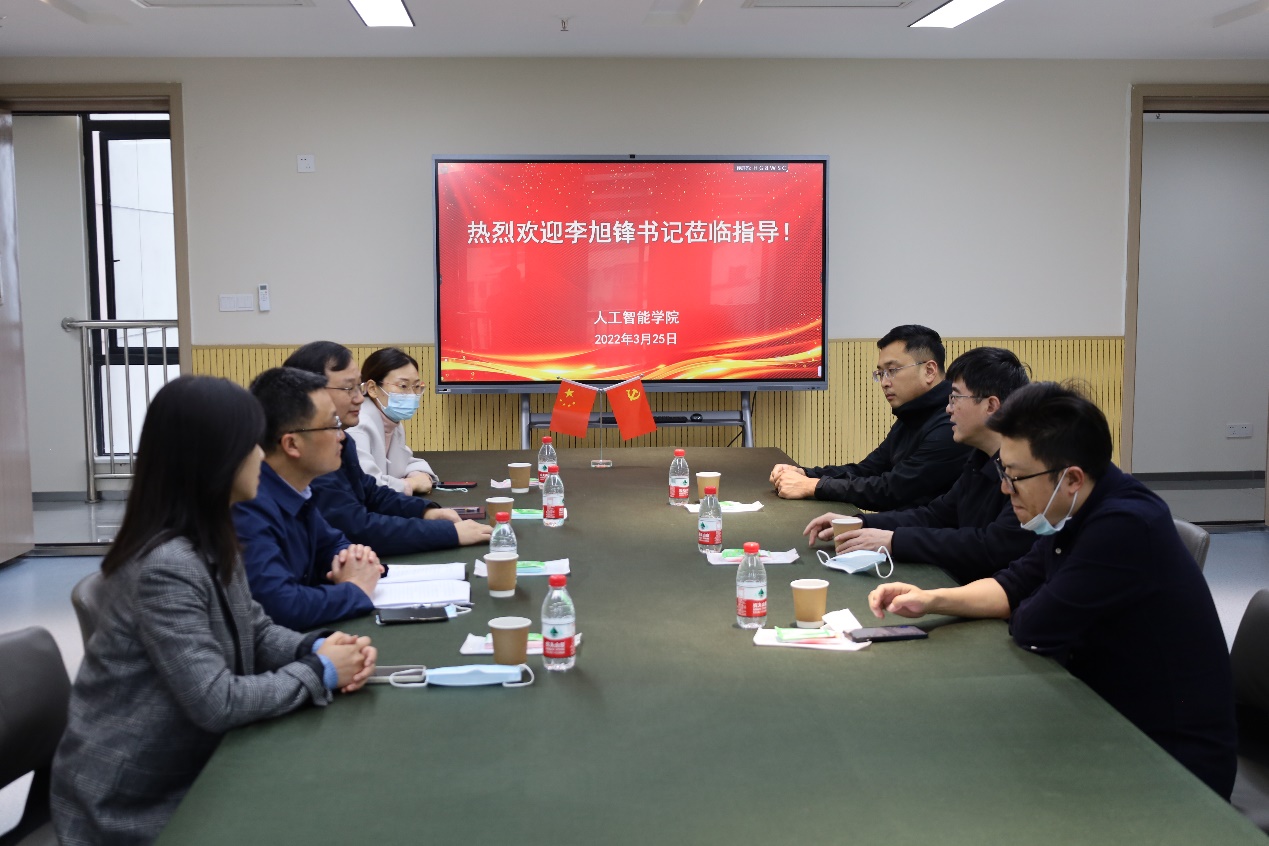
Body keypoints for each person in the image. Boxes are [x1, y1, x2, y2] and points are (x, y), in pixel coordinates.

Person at [867, 382, 1237, 798]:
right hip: (1106, 714)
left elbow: (1035, 626)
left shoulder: (1124, 526)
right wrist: (932, 599)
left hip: (1171, 762)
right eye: (1003, 473)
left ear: (1071, 478)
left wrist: (1026, 601)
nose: (1005, 489)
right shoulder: (1077, 506)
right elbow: (1015, 583)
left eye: (1016, 477)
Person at [51, 376, 377, 845]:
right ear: (214, 458)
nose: (261, 456)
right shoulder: (165, 565)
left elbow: (256, 631)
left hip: (191, 769)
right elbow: (216, 701)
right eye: (250, 445)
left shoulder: (210, 535)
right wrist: (319, 671)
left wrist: (317, 645)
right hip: (135, 806)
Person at [802, 346, 1036, 583]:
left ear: (991, 406)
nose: (949, 408)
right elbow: (936, 515)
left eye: (955, 398)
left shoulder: (1031, 471)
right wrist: (861, 522)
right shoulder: (979, 458)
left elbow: (990, 547)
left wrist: (893, 541)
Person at [282, 342, 491, 553]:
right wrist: (448, 533)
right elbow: (356, 527)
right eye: (348, 388)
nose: (359, 398)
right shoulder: (312, 448)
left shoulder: (341, 438)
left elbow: (373, 493)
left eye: (358, 387)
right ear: (311, 392)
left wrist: (426, 511)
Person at [232, 367, 386, 630]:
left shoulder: (296, 487)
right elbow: (282, 606)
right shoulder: (250, 504)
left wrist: (354, 560)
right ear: (292, 444)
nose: (341, 436)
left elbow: (333, 543)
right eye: (332, 425)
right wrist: (355, 589)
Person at [770, 324, 970, 510]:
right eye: (880, 373)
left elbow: (893, 490)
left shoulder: (951, 424)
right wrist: (806, 473)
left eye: (892, 371)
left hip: (923, 532)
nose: (884, 383)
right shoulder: (912, 414)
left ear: (929, 371)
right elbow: (868, 470)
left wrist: (814, 486)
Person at [346, 346, 439, 496]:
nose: (412, 394)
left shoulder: (391, 422)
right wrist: (411, 484)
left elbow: (403, 463)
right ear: (372, 388)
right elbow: (367, 484)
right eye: (403, 386)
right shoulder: (359, 426)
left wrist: (418, 474)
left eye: (416, 386)